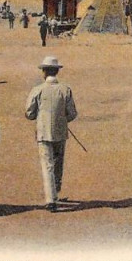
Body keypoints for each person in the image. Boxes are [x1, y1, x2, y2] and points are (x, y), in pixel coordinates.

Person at [25, 56, 78, 212]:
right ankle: (55, 193)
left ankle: (50, 199)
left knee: (47, 164)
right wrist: (62, 119)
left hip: (43, 132)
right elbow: (73, 113)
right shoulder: (65, 89)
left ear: (44, 72)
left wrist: (39, 116)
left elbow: (29, 113)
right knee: (58, 163)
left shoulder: (37, 90)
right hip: (60, 132)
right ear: (56, 71)